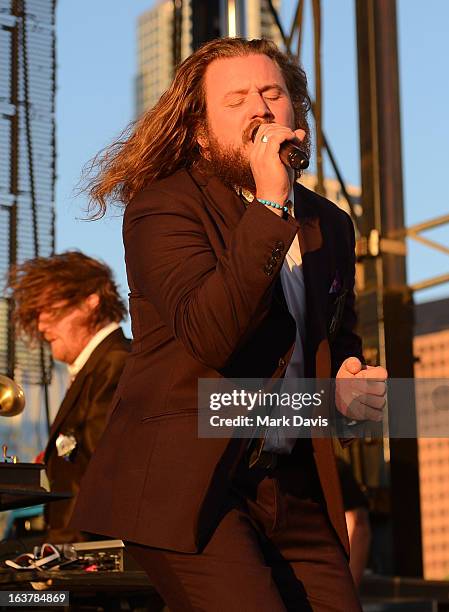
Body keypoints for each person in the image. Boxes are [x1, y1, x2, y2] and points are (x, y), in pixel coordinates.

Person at [71, 38, 387, 611]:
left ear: (297, 112)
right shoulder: (163, 208)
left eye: (273, 93)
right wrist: (269, 205)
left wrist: (349, 373)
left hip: (290, 478)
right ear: (199, 130)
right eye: (236, 100)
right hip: (187, 482)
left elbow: (334, 337)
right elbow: (213, 334)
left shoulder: (330, 224)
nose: (261, 109)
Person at [7, 251, 130, 543]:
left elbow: (105, 470)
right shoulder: (97, 367)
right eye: (37, 312)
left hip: (94, 555)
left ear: (91, 301)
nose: (41, 325)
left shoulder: (117, 365)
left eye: (51, 308)